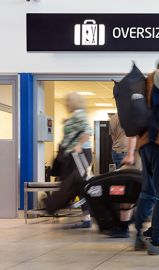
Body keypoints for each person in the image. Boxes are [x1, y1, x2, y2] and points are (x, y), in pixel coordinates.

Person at [122, 59, 159, 255]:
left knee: (148, 192)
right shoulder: (158, 78)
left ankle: (139, 235)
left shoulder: (148, 87)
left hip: (147, 145)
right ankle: (158, 241)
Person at [61, 92, 93, 229]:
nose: (66, 104)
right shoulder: (77, 115)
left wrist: (79, 145)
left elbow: (87, 131)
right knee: (78, 185)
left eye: (68, 102)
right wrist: (67, 122)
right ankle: (86, 217)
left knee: (81, 185)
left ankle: (88, 216)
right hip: (76, 155)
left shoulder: (79, 114)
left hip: (80, 154)